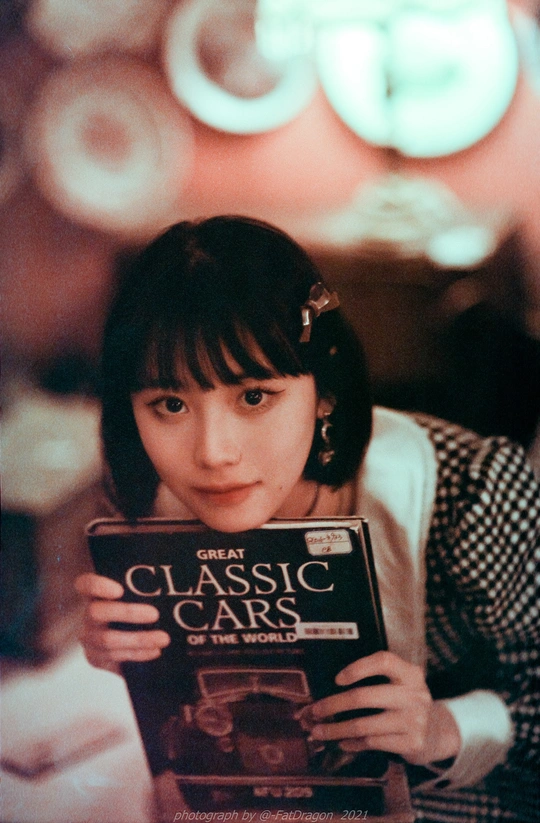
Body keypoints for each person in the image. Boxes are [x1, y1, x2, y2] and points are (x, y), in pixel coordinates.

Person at [76, 216, 540, 823]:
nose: (212, 453)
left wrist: (447, 726)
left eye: (253, 396)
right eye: (170, 404)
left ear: (325, 393)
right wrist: (132, 661)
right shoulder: (139, 506)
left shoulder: (469, 492)